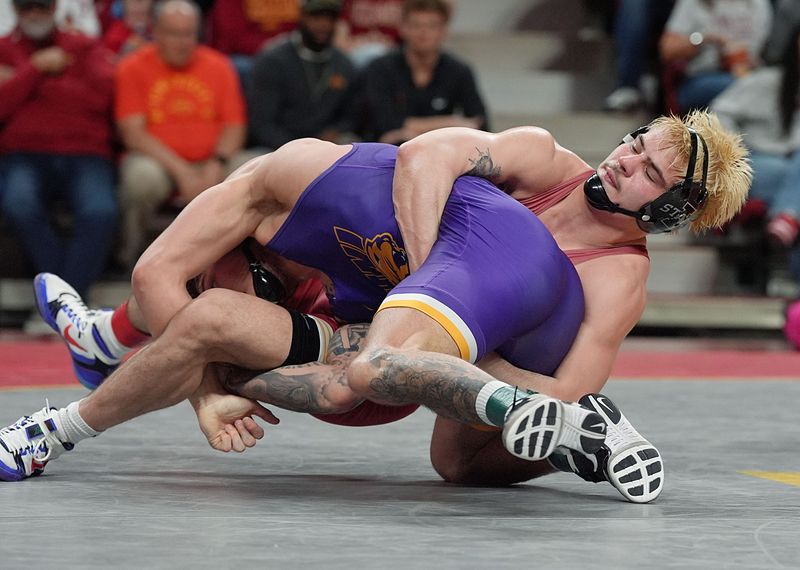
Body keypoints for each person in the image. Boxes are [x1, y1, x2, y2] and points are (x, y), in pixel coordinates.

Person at [2, 110, 750, 504]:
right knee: (203, 311)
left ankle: (104, 341)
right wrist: (426, 283)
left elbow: (567, 387)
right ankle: (101, 341)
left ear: (670, 210)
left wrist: (428, 303)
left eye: (649, 172)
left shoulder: (615, 277)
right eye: (635, 144)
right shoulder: (544, 157)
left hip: (435, 328)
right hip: (373, 296)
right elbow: (425, 155)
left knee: (457, 462)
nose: (624, 160)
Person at [114, 0, 250, 268]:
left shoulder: (219, 65)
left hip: (213, 159)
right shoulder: (132, 67)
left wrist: (217, 163)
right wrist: (182, 172)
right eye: (174, 34)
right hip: (158, 162)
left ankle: (241, 262)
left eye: (189, 34)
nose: (183, 42)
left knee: (256, 167)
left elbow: (235, 126)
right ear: (155, 32)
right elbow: (133, 134)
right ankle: (129, 257)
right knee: (141, 179)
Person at [0, 0, 117, 300]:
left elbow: (101, 99)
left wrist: (17, 80)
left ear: (55, 8)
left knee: (100, 210)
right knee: (18, 204)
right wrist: (34, 69)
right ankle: (68, 300)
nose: (34, 14)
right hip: (24, 153)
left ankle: (58, 302)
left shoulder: (84, 45)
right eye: (26, 8)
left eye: (41, 7)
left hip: (86, 152)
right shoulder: (3, 48)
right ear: (15, 10)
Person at [359, 0, 487, 144]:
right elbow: (383, 123)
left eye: (432, 26)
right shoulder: (380, 68)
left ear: (444, 31)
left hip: (440, 151)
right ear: (403, 28)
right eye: (416, 25)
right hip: (387, 151)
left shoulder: (459, 71)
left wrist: (409, 131)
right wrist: (452, 123)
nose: (423, 32)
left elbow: (479, 123)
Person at [246, 0, 357, 151]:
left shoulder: (344, 65)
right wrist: (297, 149)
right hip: (277, 148)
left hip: (326, 148)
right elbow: (261, 123)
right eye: (316, 17)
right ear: (302, 17)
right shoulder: (272, 62)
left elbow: (351, 117)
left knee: (352, 143)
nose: (324, 24)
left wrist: (335, 131)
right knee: (249, 158)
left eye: (330, 18)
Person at [658, 0, 772, 113]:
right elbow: (667, 50)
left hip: (748, 75)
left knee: (765, 87)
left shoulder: (759, 4)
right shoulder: (695, 3)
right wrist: (705, 39)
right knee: (743, 88)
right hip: (701, 77)